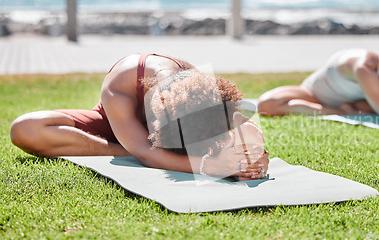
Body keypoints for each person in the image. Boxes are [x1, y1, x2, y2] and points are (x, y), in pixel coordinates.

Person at [10, 53, 269, 180]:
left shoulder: (194, 85)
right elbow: (149, 151)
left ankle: (153, 151)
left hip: (179, 129)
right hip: (115, 128)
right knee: (25, 128)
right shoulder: (121, 83)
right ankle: (128, 152)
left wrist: (252, 157)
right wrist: (209, 166)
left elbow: (241, 127)